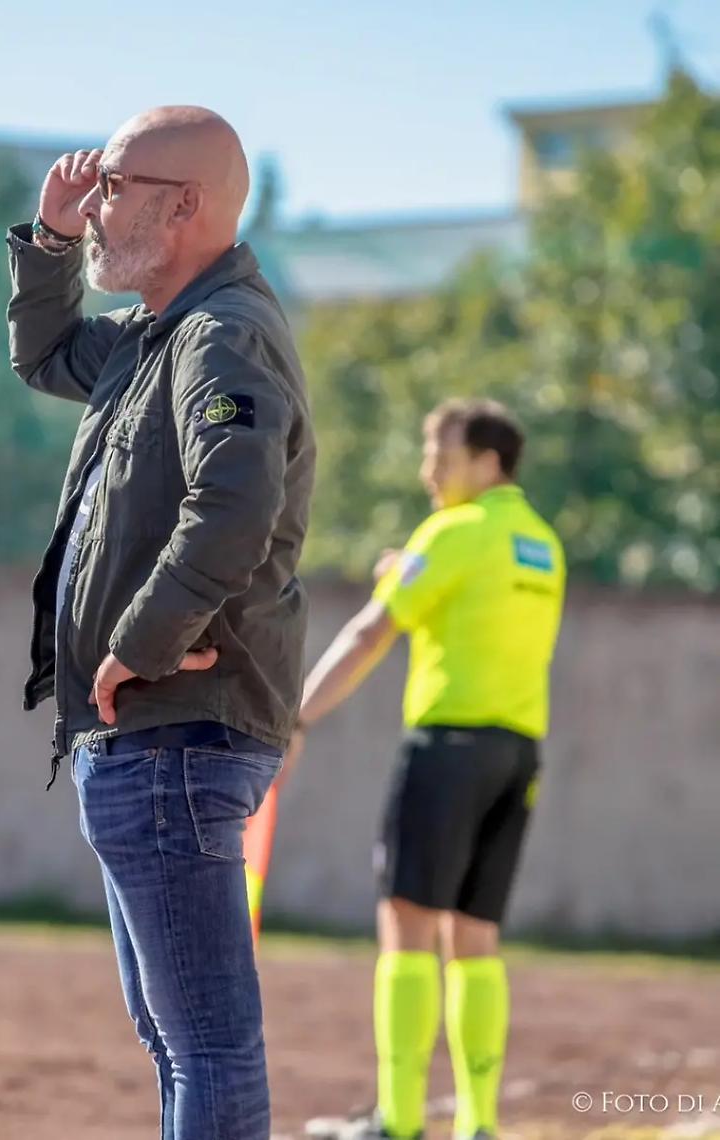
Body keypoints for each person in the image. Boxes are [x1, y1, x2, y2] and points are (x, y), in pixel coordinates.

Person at [5, 105, 316, 1140]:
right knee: (180, 1037)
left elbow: (236, 504)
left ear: (183, 205)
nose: (94, 205)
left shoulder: (220, 334)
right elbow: (45, 354)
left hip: (180, 726)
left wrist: (138, 642)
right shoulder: (161, 335)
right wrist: (47, 242)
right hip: (155, 732)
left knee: (207, 1042)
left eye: (116, 187)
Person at [288, 399, 565, 1140]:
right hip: (517, 757)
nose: (427, 472)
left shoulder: (453, 533)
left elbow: (375, 628)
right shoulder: (540, 544)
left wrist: (299, 715)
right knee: (475, 940)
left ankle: (399, 1122)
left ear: (486, 462)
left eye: (439, 456)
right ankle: (478, 1124)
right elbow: (476, 613)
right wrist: (407, 570)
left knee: (406, 929)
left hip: (447, 751)